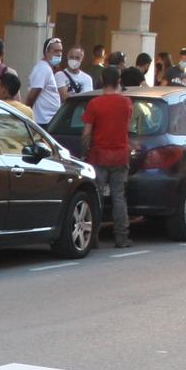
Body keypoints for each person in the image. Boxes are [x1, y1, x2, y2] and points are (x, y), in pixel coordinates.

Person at [81, 67, 136, 248]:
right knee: (119, 197)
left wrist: (84, 152)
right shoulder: (126, 103)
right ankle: (121, 237)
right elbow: (127, 127)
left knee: (96, 198)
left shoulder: (94, 104)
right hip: (120, 156)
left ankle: (93, 237)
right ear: (119, 81)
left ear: (102, 81)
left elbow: (87, 133)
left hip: (98, 156)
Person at [25, 37, 63, 125]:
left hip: (48, 121)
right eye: (56, 51)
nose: (59, 54)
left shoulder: (48, 69)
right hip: (43, 122)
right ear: (47, 52)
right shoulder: (43, 69)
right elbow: (32, 96)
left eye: (61, 51)